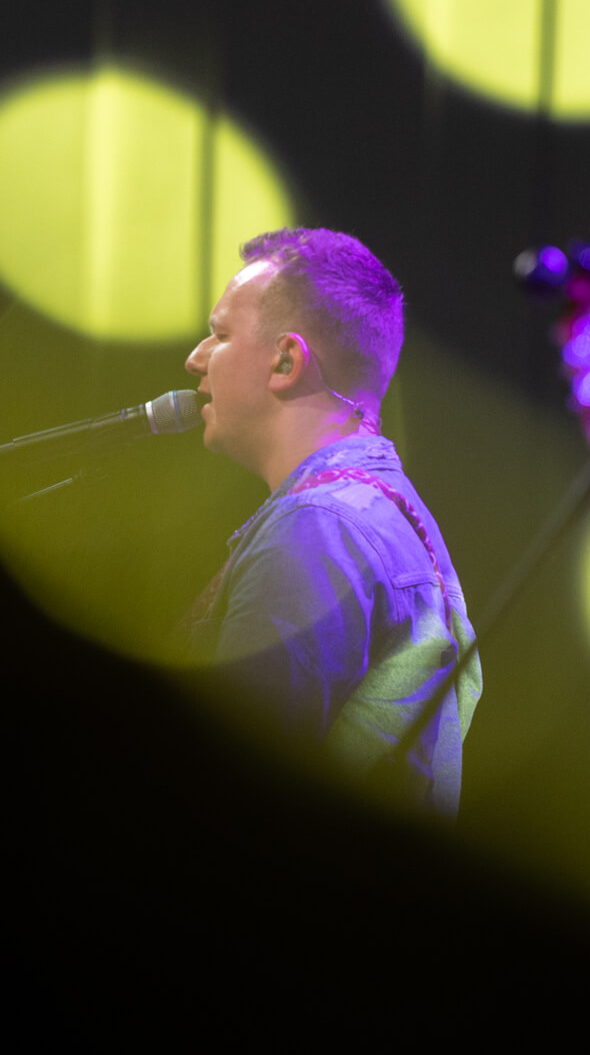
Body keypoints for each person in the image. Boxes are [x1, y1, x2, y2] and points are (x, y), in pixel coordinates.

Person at [179, 227, 480, 816]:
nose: (195, 358)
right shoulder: (383, 509)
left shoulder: (318, 528)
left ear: (286, 360)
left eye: (220, 334)